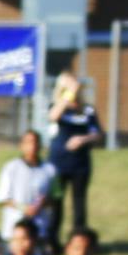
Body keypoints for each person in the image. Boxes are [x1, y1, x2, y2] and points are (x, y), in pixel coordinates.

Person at [47, 71, 102, 245]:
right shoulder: (58, 107)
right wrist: (68, 93)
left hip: (81, 165)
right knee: (56, 203)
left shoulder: (87, 110)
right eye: (68, 86)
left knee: (79, 204)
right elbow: (54, 116)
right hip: (58, 164)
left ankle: (79, 241)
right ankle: (53, 242)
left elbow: (98, 134)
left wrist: (83, 139)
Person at [0, 130, 56, 243]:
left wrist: (43, 203)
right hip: (14, 227)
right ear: (21, 145)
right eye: (28, 142)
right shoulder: (11, 168)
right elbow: (2, 198)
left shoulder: (50, 170)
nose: (32, 146)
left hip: (39, 227)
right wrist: (24, 208)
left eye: (35, 142)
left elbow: (56, 196)